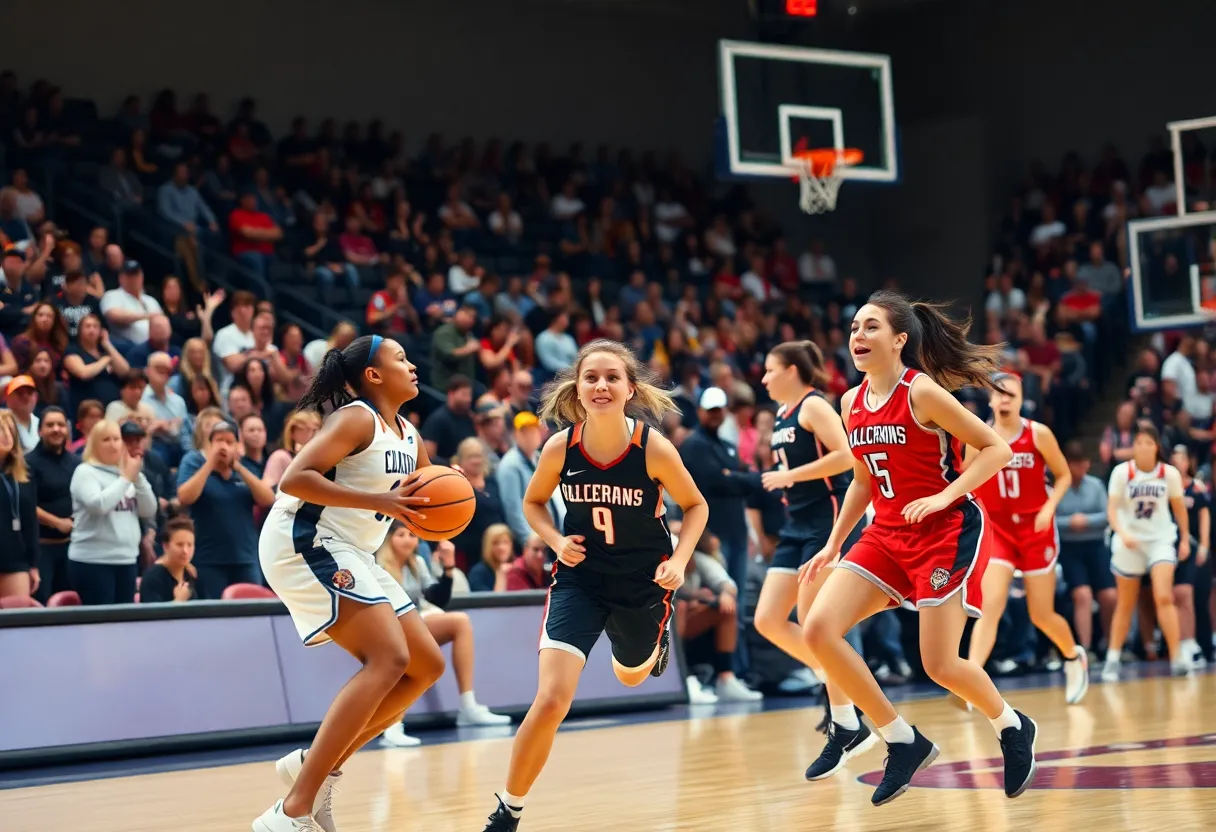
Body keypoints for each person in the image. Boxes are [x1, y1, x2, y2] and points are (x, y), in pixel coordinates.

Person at [800, 291, 1038, 805]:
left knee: (939, 664)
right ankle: (901, 741)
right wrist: (834, 543)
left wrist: (945, 495)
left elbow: (996, 449)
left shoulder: (922, 392)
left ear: (900, 339)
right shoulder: (850, 402)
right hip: (885, 532)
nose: (857, 337)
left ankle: (1012, 725)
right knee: (818, 629)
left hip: (944, 529)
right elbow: (862, 481)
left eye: (871, 328)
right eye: (854, 328)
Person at [481, 339, 708, 831]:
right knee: (551, 699)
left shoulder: (653, 447)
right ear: (577, 390)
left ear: (630, 389)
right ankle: (509, 808)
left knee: (630, 675)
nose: (601, 385)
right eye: (591, 377)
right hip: (580, 579)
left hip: (643, 582)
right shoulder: (560, 446)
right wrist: (555, 541)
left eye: (612, 377)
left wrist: (682, 561)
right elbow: (533, 504)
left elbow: (696, 506)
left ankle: (654, 640)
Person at [253, 334, 446, 832]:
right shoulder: (356, 418)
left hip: (353, 548)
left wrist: (451, 502)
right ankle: (292, 810)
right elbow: (293, 479)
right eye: (400, 358)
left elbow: (430, 501)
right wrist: (381, 504)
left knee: (425, 665)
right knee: (388, 658)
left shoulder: (409, 435)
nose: (412, 364)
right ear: (374, 375)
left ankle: (316, 769)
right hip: (305, 537)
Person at [750, 340, 869, 776]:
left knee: (812, 621)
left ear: (793, 371)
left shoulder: (814, 406)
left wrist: (790, 475)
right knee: (766, 619)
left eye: (770, 369)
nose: (763, 378)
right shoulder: (782, 414)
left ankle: (846, 722)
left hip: (826, 521)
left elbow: (846, 457)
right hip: (794, 525)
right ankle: (836, 676)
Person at [962, 373, 1088, 706]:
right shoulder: (979, 437)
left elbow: (1062, 475)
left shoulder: (1038, 433)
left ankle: (1074, 656)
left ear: (1021, 399)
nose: (1004, 398)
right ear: (989, 399)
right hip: (999, 530)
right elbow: (963, 479)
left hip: (1035, 529)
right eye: (998, 393)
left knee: (1040, 614)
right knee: (990, 607)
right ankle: (973, 680)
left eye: (1010, 393)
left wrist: (1049, 508)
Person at [377, 521, 509, 747]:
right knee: (405, 641)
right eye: (401, 535)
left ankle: (468, 706)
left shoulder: (417, 563)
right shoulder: (378, 567)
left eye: (412, 535)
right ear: (389, 539)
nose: (409, 539)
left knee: (460, 621)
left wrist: (448, 568)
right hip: (385, 627)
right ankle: (391, 724)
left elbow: (436, 599)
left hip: (414, 622)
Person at [1101, 424, 1190, 681]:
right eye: (1138, 442)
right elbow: (1112, 510)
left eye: (1148, 443)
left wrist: (1184, 539)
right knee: (1126, 602)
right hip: (1130, 540)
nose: (1142, 447)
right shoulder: (1121, 472)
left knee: (1164, 596)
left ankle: (1177, 656)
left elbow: (1179, 509)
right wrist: (1122, 532)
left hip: (1161, 539)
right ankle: (1113, 658)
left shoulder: (1169, 474)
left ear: (1156, 447)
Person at [67, 420, 157, 605]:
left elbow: (149, 510)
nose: (113, 444)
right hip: (93, 560)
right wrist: (126, 478)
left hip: (126, 559)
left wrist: (137, 477)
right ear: (94, 444)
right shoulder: (85, 472)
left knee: (123, 625)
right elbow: (99, 505)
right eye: (106, 439)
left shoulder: (127, 474)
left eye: (116, 439)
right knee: (101, 626)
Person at [1169, 444, 1209, 668]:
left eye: (1181, 458)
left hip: (1191, 547)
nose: (1177, 462)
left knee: (1186, 592)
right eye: (1174, 458)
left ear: (1188, 463)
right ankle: (1179, 643)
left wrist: (1203, 544)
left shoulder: (1197, 489)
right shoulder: (1165, 488)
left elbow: (1204, 516)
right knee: (1173, 595)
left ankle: (1192, 644)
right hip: (1168, 546)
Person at [0, 408, 39, 598]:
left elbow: (30, 523)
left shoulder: (23, 476)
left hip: (15, 558)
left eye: (10, 430)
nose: (7, 435)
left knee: (15, 622)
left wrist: (33, 564)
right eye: (1, 429)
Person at [139, 516, 199, 603]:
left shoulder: (190, 573)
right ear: (166, 546)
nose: (185, 551)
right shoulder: (153, 577)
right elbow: (152, 615)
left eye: (190, 545)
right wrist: (178, 601)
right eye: (179, 545)